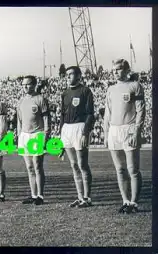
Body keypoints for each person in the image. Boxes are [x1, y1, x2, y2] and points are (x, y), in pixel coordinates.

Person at [104, 59, 145, 214]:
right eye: (113, 69)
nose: (115, 72)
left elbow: (141, 111)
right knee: (120, 169)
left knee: (133, 169)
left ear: (127, 70)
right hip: (114, 131)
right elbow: (107, 113)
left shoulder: (135, 86)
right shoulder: (110, 89)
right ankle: (125, 200)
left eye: (119, 69)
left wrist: (136, 131)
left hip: (129, 129)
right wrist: (105, 132)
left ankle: (134, 202)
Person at [60, 66, 95, 208]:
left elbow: (90, 114)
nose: (68, 77)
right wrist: (60, 134)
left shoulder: (85, 91)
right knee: (73, 165)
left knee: (82, 164)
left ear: (79, 75)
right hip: (66, 129)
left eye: (71, 74)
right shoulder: (65, 93)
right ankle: (80, 197)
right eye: (66, 75)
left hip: (80, 127)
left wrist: (85, 132)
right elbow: (62, 115)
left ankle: (87, 198)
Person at [17, 75, 50, 205]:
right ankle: (33, 194)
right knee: (29, 167)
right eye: (23, 84)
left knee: (37, 166)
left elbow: (47, 120)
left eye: (28, 84)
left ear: (34, 84)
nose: (25, 87)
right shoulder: (21, 101)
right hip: (24, 135)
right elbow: (19, 120)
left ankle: (40, 196)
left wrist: (45, 135)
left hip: (37, 134)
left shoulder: (40, 99)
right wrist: (19, 135)